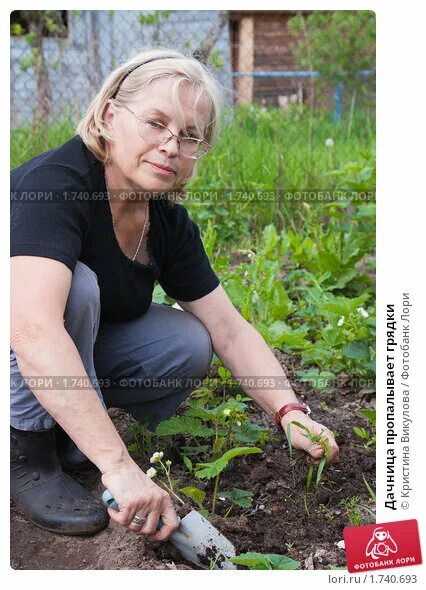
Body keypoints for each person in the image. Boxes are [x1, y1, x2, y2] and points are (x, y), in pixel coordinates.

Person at [10, 48, 339, 541]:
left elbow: (227, 327)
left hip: (51, 359)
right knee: (77, 288)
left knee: (187, 340)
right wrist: (119, 466)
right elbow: (31, 331)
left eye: (189, 136)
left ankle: (69, 430)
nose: (170, 146)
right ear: (108, 116)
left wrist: (289, 411)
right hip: (15, 349)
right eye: (156, 123)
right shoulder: (56, 188)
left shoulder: (163, 219)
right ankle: (26, 454)